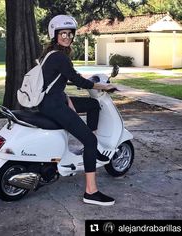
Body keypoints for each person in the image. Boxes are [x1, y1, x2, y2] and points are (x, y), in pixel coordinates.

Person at [38, 15, 117, 206]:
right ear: (54, 35)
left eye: (70, 33)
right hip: (54, 106)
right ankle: (91, 191)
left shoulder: (49, 55)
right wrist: (103, 87)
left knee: (92, 105)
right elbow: (78, 81)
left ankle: (91, 148)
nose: (67, 37)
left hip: (52, 100)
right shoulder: (60, 56)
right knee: (90, 140)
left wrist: (67, 99)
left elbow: (52, 82)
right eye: (62, 33)